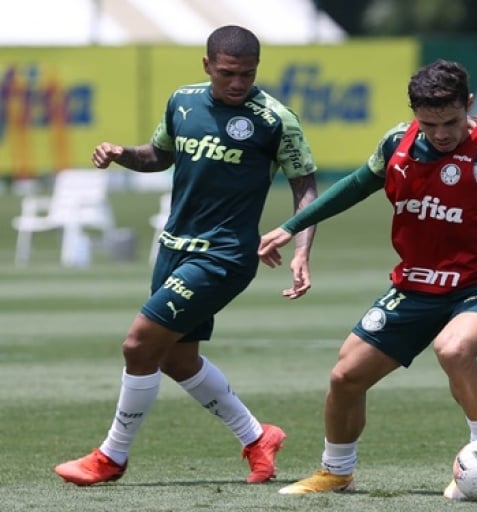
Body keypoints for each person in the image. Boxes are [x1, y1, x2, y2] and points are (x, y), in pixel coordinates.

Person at [257, 59, 477, 498]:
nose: (441, 133)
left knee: (453, 349)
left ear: (468, 104)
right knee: (345, 377)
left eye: (451, 121)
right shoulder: (397, 144)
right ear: (414, 113)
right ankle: (336, 472)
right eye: (429, 123)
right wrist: (293, 227)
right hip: (415, 284)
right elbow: (354, 186)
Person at [54, 25, 319, 486]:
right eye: (227, 73)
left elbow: (306, 186)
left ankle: (111, 457)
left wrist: (299, 247)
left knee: (138, 345)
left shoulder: (275, 118)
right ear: (207, 65)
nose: (237, 83)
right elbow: (159, 155)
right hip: (174, 248)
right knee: (176, 359)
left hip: (224, 255)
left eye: (247, 74)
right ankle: (259, 437)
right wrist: (121, 153)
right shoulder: (182, 101)